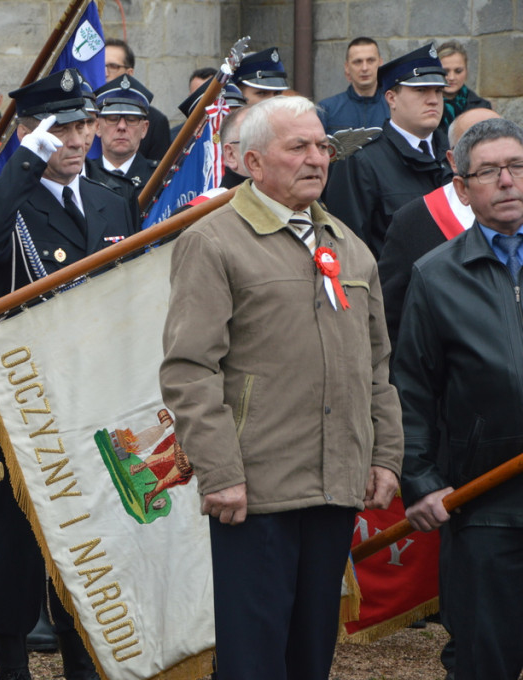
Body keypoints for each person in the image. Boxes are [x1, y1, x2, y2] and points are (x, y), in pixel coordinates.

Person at [159, 95, 403, 680]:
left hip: (335, 483)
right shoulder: (213, 241)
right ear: (251, 162)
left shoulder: (349, 246)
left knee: (310, 655)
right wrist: (221, 472)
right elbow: (190, 369)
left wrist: (385, 455)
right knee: (254, 659)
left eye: (323, 146)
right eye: (299, 147)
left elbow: (376, 366)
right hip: (256, 487)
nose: (317, 159)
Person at [0, 68, 135, 680]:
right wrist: (24, 160)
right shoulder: (6, 196)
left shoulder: (113, 199)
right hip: (31, 391)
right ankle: (9, 646)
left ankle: (84, 648)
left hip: (98, 388)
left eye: (83, 124)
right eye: (60, 127)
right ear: (30, 132)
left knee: (93, 522)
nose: (77, 138)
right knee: (20, 533)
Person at [393, 117, 523, 680]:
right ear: (464, 189)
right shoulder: (437, 275)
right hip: (484, 499)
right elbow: (412, 388)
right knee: (483, 658)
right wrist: (419, 480)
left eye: (516, 167)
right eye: (490, 171)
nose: (507, 181)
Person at [378, 106, 500, 348]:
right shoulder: (415, 220)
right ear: (453, 161)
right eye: (480, 148)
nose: (495, 162)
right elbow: (390, 318)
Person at [325, 44, 453, 257]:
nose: (433, 99)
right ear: (392, 98)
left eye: (438, 90)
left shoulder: (454, 154)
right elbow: (350, 248)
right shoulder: (361, 160)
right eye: (421, 90)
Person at [85, 74, 158, 214]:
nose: (122, 126)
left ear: (144, 129)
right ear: (97, 127)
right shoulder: (82, 175)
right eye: (113, 119)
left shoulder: (160, 178)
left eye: (131, 119)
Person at [103, 39, 170, 161]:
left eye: (113, 66)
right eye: (100, 66)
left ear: (129, 73)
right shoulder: (88, 115)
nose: (105, 73)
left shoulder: (155, 121)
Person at [317, 37, 389, 135]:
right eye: (358, 62)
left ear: (380, 63)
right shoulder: (326, 110)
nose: (364, 68)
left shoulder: (394, 107)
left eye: (370, 60)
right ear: (347, 67)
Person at [437, 40, 492, 132]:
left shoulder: (482, 107)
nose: (451, 77)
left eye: (458, 71)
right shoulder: (425, 105)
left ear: (466, 71)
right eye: (445, 72)